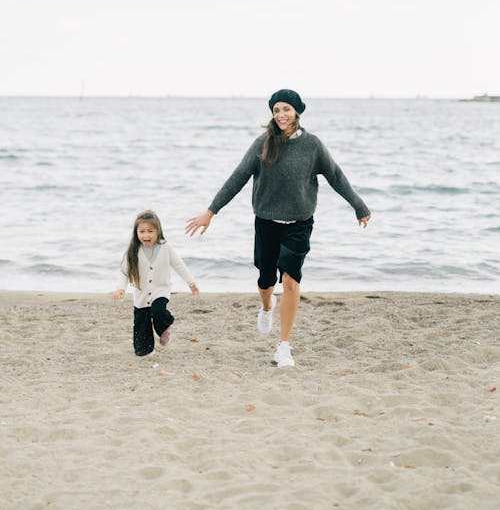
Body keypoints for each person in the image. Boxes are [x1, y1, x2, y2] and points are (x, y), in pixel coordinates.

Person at [185, 88, 370, 368]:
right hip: (267, 222)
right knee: (265, 279)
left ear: (297, 111)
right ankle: (266, 306)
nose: (281, 115)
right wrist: (211, 211)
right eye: (276, 110)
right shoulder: (263, 143)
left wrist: (358, 205)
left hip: (300, 222)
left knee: (291, 281)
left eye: (286, 109)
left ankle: (284, 346)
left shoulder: (313, 145)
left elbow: (336, 176)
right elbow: (238, 177)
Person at [111, 210, 199, 356]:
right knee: (141, 341)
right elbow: (123, 272)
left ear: (158, 231)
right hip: (141, 297)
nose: (146, 235)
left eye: (150, 231)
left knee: (158, 311)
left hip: (160, 291)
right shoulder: (133, 251)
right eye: (142, 231)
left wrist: (191, 282)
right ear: (136, 233)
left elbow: (179, 265)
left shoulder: (166, 248)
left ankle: (164, 328)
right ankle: (146, 351)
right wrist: (121, 289)